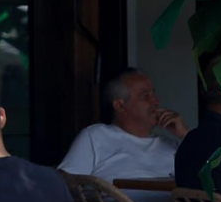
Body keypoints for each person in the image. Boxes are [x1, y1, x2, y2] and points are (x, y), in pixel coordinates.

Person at [58, 68, 188, 181]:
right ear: (120, 106)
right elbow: (65, 182)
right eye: (145, 95)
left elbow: (205, 180)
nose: (156, 101)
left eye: (154, 93)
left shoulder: (172, 145)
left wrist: (186, 135)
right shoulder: (95, 137)